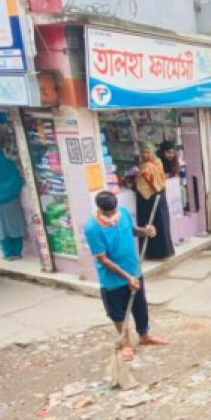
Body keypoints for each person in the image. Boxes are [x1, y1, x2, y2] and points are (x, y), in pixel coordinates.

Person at [84, 191, 167, 362]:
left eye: (114, 210)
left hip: (134, 269)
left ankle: (144, 335)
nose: (113, 214)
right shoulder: (93, 228)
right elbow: (103, 259)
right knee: (119, 314)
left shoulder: (123, 213)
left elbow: (132, 231)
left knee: (140, 307)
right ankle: (127, 344)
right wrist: (127, 278)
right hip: (112, 279)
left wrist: (145, 231)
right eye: (109, 212)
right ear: (100, 210)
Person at [134, 145, 175, 260]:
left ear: (152, 153)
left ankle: (155, 253)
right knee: (160, 223)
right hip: (158, 196)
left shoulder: (148, 166)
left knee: (152, 224)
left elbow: (148, 181)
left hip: (149, 198)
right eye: (143, 152)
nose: (144, 155)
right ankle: (164, 251)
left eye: (147, 152)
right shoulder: (157, 163)